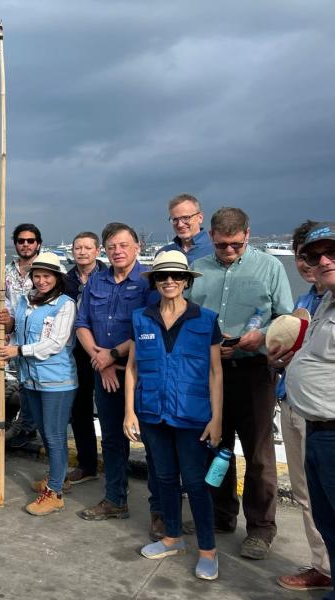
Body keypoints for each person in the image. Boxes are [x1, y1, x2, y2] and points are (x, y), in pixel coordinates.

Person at [190, 207, 293, 560]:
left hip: (253, 370)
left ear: (247, 235)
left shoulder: (270, 267)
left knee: (259, 455)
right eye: (222, 246)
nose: (230, 251)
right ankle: (221, 516)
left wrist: (260, 336)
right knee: (215, 447)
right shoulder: (199, 270)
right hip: (211, 371)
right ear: (211, 239)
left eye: (235, 245)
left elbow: (286, 320)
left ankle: (261, 529)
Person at [123, 250, 223, 580]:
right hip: (153, 413)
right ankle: (172, 538)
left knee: (195, 484)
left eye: (176, 276)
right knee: (163, 478)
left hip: (193, 415)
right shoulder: (142, 317)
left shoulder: (205, 319)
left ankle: (208, 550)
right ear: (154, 281)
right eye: (162, 276)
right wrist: (129, 412)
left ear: (186, 282)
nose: (169, 281)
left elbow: (215, 372)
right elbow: (132, 368)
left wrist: (217, 418)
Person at [75, 223, 163, 534]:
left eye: (124, 245)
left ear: (137, 247)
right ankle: (115, 499)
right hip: (106, 373)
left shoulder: (148, 283)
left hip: (141, 372)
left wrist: (112, 355)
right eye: (111, 246)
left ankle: (160, 511)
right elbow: (82, 323)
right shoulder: (96, 281)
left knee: (154, 442)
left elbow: (150, 327)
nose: (118, 251)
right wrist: (102, 361)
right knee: (112, 438)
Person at [0, 252, 77, 515]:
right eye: (37, 276)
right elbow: (14, 333)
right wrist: (6, 334)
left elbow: (55, 343)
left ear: (57, 278)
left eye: (47, 276)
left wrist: (17, 352)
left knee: (54, 436)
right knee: (45, 433)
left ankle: (54, 493)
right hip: (29, 380)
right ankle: (58, 477)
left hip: (56, 381)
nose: (42, 281)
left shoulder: (65, 304)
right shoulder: (24, 301)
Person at [275, 220, 331, 591]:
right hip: (299, 410)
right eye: (308, 256)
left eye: (329, 253)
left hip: (327, 423)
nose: (316, 262)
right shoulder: (315, 299)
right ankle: (323, 566)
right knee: (309, 495)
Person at [62, 231, 107, 485]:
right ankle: (87, 464)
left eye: (87, 247)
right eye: (78, 247)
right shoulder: (65, 280)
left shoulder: (108, 277)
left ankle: (114, 463)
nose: (82, 252)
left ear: (97, 250)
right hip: (76, 352)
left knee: (110, 409)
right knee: (79, 410)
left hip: (106, 351)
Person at [3, 223, 42, 449]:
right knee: (17, 383)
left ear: (37, 243)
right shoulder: (7, 270)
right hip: (13, 335)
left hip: (36, 336)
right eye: (21, 241)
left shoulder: (46, 267)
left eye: (30, 241)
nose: (25, 244)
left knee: (34, 383)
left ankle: (30, 428)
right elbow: (5, 301)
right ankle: (19, 427)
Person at [157, 194, 214, 262]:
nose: (180, 224)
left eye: (186, 218)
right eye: (175, 219)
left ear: (200, 218)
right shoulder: (164, 254)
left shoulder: (217, 250)